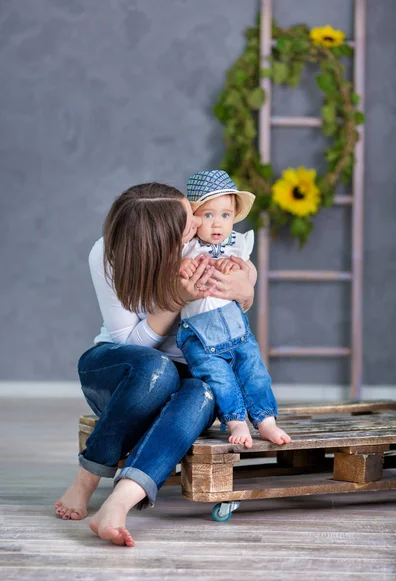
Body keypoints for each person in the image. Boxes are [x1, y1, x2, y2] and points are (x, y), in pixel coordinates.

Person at [55, 182, 256, 546]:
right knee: (156, 370)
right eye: (187, 222)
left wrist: (244, 290)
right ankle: (85, 479)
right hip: (122, 372)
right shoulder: (107, 255)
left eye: (192, 212)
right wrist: (177, 299)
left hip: (187, 375)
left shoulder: (205, 247)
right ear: (162, 240)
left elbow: (238, 297)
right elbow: (126, 343)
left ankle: (118, 503)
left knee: (206, 391)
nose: (198, 221)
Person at [178, 170, 291, 449]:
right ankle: (235, 421)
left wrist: (239, 268)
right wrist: (179, 268)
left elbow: (247, 275)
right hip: (199, 333)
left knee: (254, 371)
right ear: (192, 218)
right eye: (208, 215)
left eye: (226, 215)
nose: (218, 223)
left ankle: (266, 421)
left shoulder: (237, 245)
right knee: (219, 378)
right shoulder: (184, 247)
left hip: (236, 326)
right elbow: (166, 275)